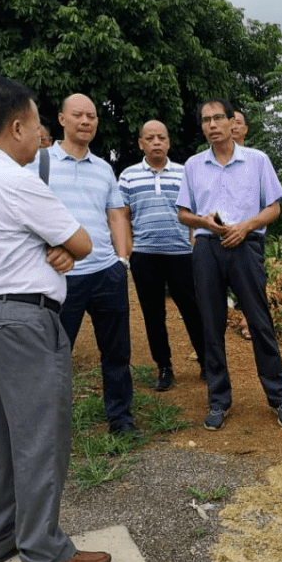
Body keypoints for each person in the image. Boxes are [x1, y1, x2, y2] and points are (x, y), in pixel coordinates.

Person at [0, 75, 110, 562]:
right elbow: (81, 242)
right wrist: (61, 247)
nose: (41, 135)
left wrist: (48, 246)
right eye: (38, 124)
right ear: (17, 126)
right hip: (21, 320)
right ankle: (43, 549)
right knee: (40, 433)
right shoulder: (16, 181)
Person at [176, 98, 282, 432]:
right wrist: (205, 222)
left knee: (259, 322)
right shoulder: (193, 165)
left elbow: (273, 208)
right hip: (207, 248)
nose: (212, 125)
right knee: (211, 325)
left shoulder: (257, 161)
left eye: (218, 118)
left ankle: (279, 397)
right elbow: (183, 213)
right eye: (205, 120)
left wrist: (245, 226)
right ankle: (218, 400)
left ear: (233, 122)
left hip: (246, 247)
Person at [44, 93, 137, 435]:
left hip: (105, 274)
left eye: (92, 116)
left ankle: (121, 418)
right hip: (59, 277)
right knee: (53, 354)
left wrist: (122, 260)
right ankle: (51, 423)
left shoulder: (104, 169)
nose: (86, 121)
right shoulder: (40, 164)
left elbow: (116, 215)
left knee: (116, 353)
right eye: (78, 115)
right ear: (62, 120)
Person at [117, 120, 205, 391]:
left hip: (182, 255)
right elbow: (122, 215)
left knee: (193, 311)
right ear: (141, 143)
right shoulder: (128, 176)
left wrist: (194, 245)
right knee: (153, 314)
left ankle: (207, 361)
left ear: (168, 142)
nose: (156, 142)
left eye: (161, 137)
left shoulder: (184, 173)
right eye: (150, 138)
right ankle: (164, 367)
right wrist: (129, 251)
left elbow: (196, 211)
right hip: (144, 257)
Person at [230, 107, 252, 341]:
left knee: (250, 280)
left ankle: (248, 319)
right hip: (219, 230)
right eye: (231, 121)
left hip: (248, 231)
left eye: (239, 122)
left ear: (245, 128)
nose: (234, 126)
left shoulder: (255, 159)